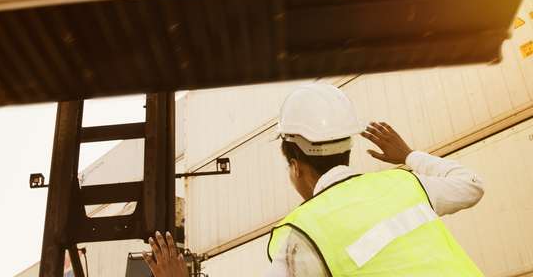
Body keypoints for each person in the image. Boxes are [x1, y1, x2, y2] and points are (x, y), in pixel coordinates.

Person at [144, 83, 485, 276]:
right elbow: (471, 184)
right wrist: (409, 156)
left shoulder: (303, 235)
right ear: (347, 149)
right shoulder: (404, 184)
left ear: (296, 165)